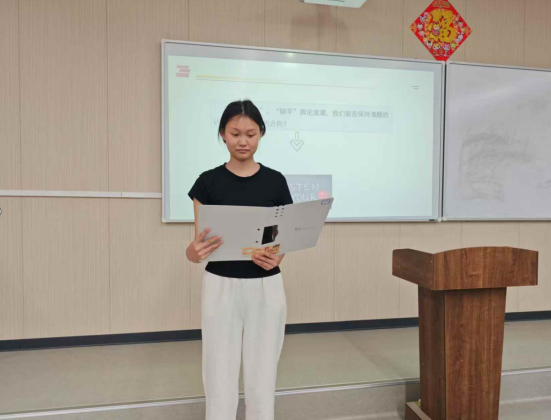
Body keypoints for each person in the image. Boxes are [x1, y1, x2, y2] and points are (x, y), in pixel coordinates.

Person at [186, 99, 293, 420]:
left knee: (264, 370)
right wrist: (193, 252)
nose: (242, 141)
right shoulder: (207, 182)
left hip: (266, 286)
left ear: (261, 134)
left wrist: (278, 257)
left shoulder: (276, 181)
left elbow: (283, 239)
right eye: (235, 134)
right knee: (218, 368)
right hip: (220, 285)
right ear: (222, 134)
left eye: (250, 134)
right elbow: (197, 247)